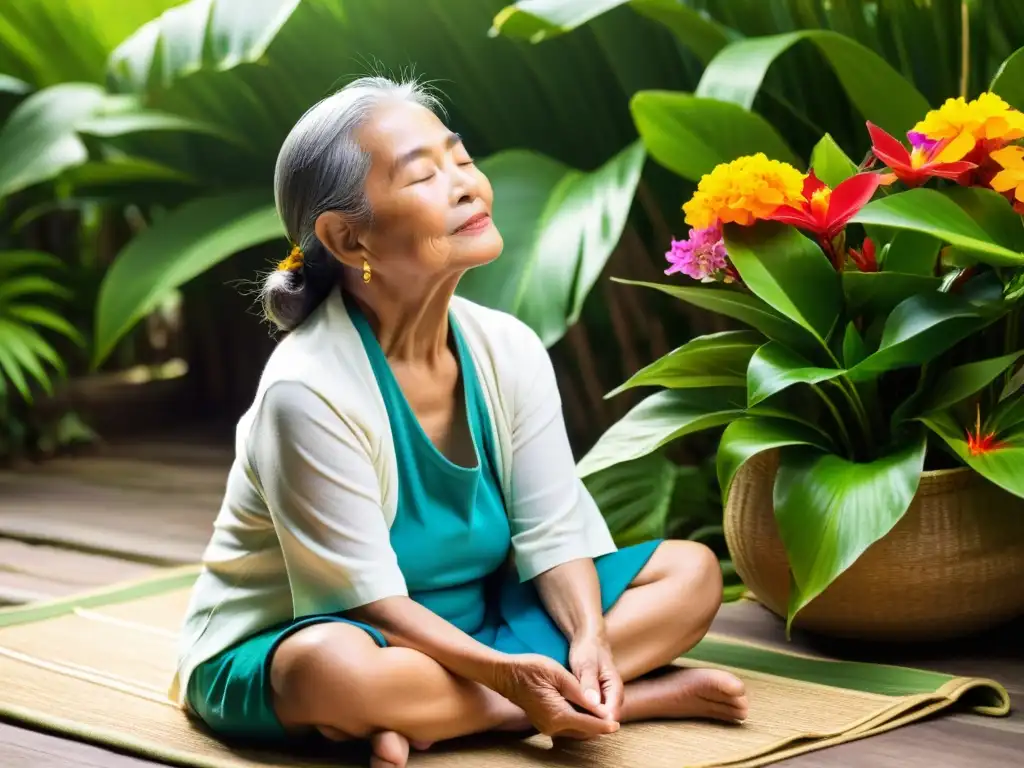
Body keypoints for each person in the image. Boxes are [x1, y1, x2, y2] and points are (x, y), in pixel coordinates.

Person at [171, 76, 748, 768]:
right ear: (347, 236)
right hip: (307, 635)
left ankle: (455, 715)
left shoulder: (508, 348)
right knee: (333, 673)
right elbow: (364, 605)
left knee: (689, 574)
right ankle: (597, 699)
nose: (466, 184)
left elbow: (553, 534)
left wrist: (592, 635)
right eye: (423, 174)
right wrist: (507, 675)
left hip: (478, 618)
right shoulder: (308, 390)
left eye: (463, 159)